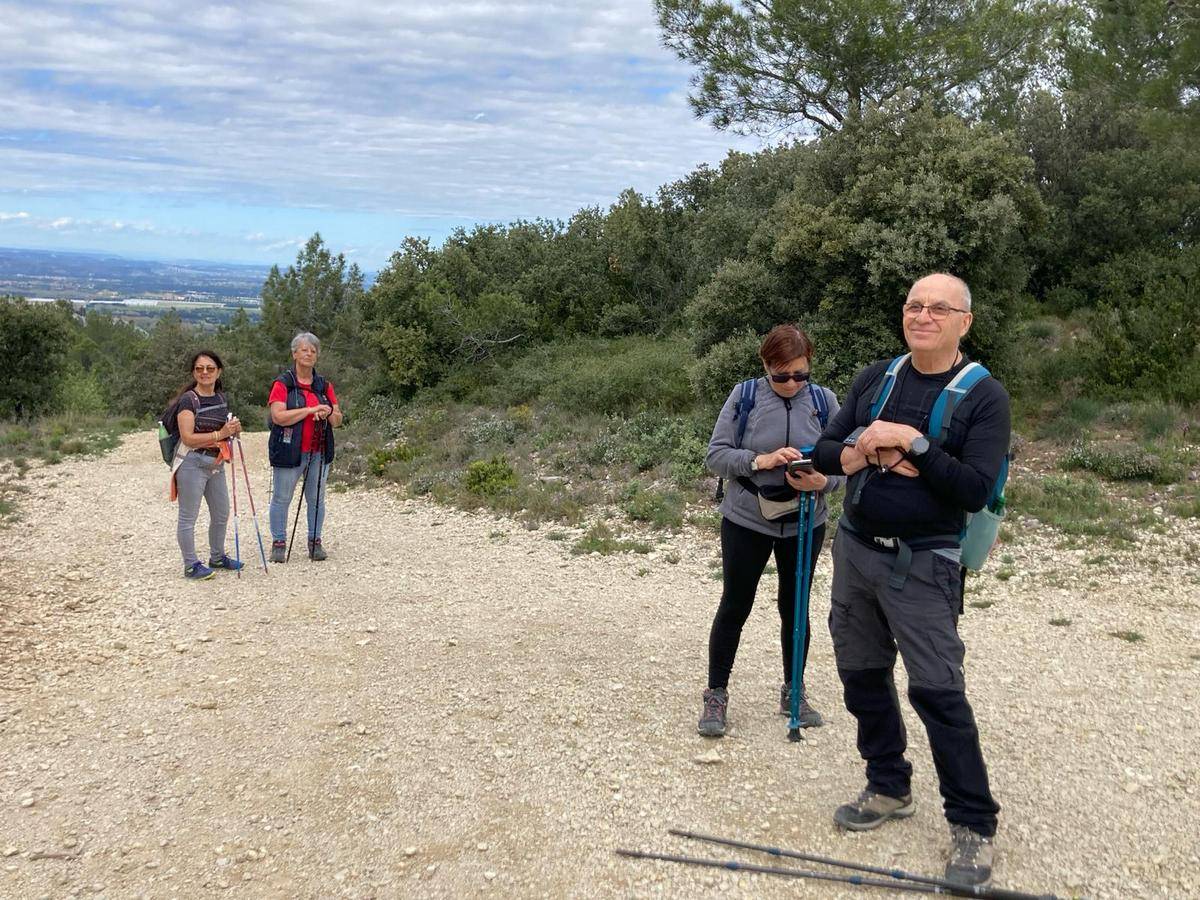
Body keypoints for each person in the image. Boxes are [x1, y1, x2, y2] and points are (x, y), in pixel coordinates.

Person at [810, 273, 1010, 888]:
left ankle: (973, 824)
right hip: (855, 551)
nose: (922, 315)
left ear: (963, 322)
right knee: (861, 674)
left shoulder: (984, 397)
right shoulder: (878, 376)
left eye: (938, 308)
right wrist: (877, 453)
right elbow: (823, 453)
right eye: (914, 306)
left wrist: (908, 442)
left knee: (938, 692)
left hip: (924, 564)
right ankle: (888, 785)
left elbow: (974, 489)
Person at [698, 324, 844, 738]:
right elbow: (716, 455)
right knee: (736, 604)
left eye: (801, 374)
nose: (792, 384)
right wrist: (760, 461)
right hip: (747, 518)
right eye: (782, 376)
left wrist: (823, 483)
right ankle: (716, 694)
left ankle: (793, 691)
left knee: (795, 606)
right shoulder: (744, 396)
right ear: (766, 366)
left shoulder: (823, 401)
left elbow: (846, 461)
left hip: (805, 520)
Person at [267, 332, 342, 562]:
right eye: (304, 349)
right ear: (294, 353)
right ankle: (279, 543)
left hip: (319, 451)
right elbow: (278, 416)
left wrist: (328, 411)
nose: (309, 353)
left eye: (313, 350)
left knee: (317, 498)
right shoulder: (283, 384)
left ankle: (315, 542)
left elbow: (338, 419)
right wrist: (310, 411)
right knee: (281, 497)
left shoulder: (324, 386)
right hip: (290, 450)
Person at [170, 350, 244, 580]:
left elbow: (223, 432)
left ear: (218, 371)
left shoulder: (221, 399)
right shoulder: (188, 400)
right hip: (191, 462)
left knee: (221, 512)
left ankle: (217, 556)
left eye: (210, 368)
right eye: (200, 369)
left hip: (215, 462)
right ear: (194, 372)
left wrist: (232, 431)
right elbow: (188, 438)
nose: (204, 373)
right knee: (188, 517)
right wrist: (220, 433)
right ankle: (191, 564)